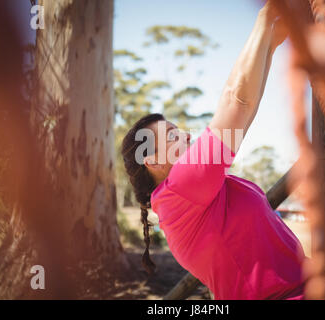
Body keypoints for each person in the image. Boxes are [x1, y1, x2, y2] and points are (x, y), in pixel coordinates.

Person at [121, 1, 306, 300]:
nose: (183, 135)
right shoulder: (180, 189)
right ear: (152, 159)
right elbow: (236, 102)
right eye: (171, 135)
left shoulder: (186, 194)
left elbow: (245, 107)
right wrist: (266, 17)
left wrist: (271, 43)